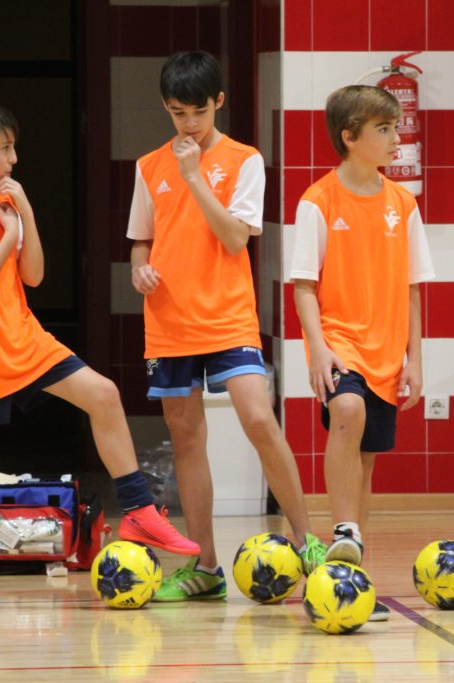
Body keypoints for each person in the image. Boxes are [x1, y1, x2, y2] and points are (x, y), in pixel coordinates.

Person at [0, 100, 199, 614]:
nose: (13, 160)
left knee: (103, 394)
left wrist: (23, 213)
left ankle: (139, 508)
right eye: (5, 148)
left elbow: (33, 275)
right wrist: (9, 233)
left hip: (22, 336)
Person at [127, 51, 326, 602]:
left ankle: (308, 541)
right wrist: (140, 267)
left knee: (259, 419)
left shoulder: (245, 160)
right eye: (175, 112)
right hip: (169, 321)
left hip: (230, 316)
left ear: (218, 101)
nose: (187, 124)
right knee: (187, 439)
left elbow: (236, 237)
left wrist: (194, 177)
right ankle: (206, 567)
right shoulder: (148, 166)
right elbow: (142, 237)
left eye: (196, 111)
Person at [291, 85, 435, 621]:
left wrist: (415, 359)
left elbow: (414, 288)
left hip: (388, 350)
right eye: (384, 129)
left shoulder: (404, 204)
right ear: (349, 138)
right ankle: (343, 532)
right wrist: (317, 349)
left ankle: (352, 577)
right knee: (345, 411)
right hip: (340, 342)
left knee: (365, 466)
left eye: (395, 128)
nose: (396, 138)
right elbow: (304, 284)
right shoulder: (318, 201)